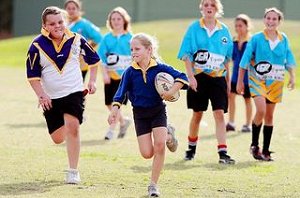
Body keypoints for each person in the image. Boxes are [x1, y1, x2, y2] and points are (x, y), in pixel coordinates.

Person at [108, 33, 188, 197]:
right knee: (147, 153)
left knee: (159, 146)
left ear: (149, 50)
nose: (133, 52)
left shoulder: (160, 68)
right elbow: (120, 94)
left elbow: (183, 77)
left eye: (137, 49)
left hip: (158, 110)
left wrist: (172, 91)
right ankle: (169, 135)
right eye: (131, 49)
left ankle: (153, 185)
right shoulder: (130, 72)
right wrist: (114, 111)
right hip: (140, 115)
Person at [26, 6, 99, 184]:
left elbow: (94, 60)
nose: (57, 26)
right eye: (52, 23)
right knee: (58, 138)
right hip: (50, 97)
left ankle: (73, 171)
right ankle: (72, 121)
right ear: (44, 25)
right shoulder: (36, 45)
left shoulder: (77, 39)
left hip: (74, 92)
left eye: (60, 22)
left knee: (73, 127)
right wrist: (42, 95)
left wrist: (92, 81)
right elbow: (32, 76)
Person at [178, 0, 235, 164]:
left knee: (219, 114)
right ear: (202, 8)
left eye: (212, 5)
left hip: (218, 79)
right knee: (197, 114)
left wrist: (228, 80)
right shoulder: (194, 28)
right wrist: (190, 77)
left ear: (217, 9)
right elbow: (186, 55)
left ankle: (223, 152)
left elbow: (226, 59)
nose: (209, 8)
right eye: (206, 5)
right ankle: (191, 149)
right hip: (198, 78)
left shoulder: (224, 30)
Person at [237, 7, 296, 161]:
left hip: (276, 82)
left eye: (274, 19)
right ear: (264, 20)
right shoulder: (256, 38)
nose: (271, 21)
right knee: (261, 110)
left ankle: (266, 151)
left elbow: (289, 58)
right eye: (268, 18)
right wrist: (240, 82)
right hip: (257, 80)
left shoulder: (284, 39)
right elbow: (245, 60)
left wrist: (292, 76)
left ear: (279, 22)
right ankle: (254, 145)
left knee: (269, 116)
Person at [98, 7, 132, 140]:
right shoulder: (107, 38)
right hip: (110, 76)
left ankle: (111, 131)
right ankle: (123, 122)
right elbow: (101, 58)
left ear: (124, 20)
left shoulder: (131, 38)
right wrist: (104, 74)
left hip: (124, 77)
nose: (116, 21)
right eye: (113, 19)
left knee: (116, 104)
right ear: (110, 22)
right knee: (109, 103)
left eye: (119, 19)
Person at [226, 14, 253, 133]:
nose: (238, 28)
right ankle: (231, 123)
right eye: (236, 26)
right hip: (235, 76)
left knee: (247, 100)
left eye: (240, 25)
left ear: (247, 26)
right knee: (231, 97)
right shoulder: (234, 41)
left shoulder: (252, 41)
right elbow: (231, 58)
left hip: (248, 77)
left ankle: (248, 124)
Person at [64, 0, 102, 81]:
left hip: (80, 63)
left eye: (73, 8)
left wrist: (86, 49)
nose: (71, 11)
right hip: (65, 63)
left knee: (77, 89)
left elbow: (98, 37)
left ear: (78, 10)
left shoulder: (84, 24)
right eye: (68, 8)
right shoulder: (63, 24)